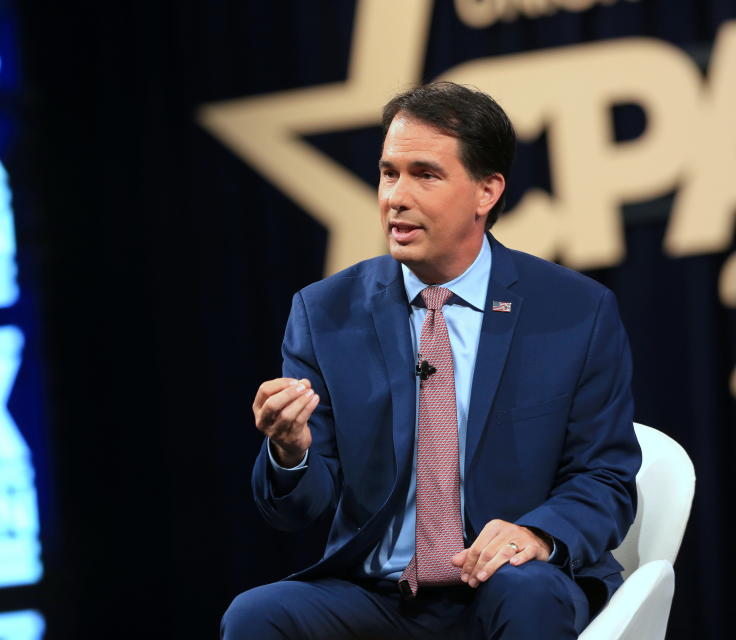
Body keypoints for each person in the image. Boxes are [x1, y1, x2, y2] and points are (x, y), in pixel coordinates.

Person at [220, 82, 641, 639]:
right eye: (388, 173)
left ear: (486, 191)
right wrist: (290, 452)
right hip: (377, 594)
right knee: (256, 615)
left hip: (506, 583)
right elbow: (298, 510)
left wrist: (535, 535)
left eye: (426, 174)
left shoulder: (574, 311)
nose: (396, 195)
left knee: (526, 590)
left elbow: (605, 477)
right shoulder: (324, 312)